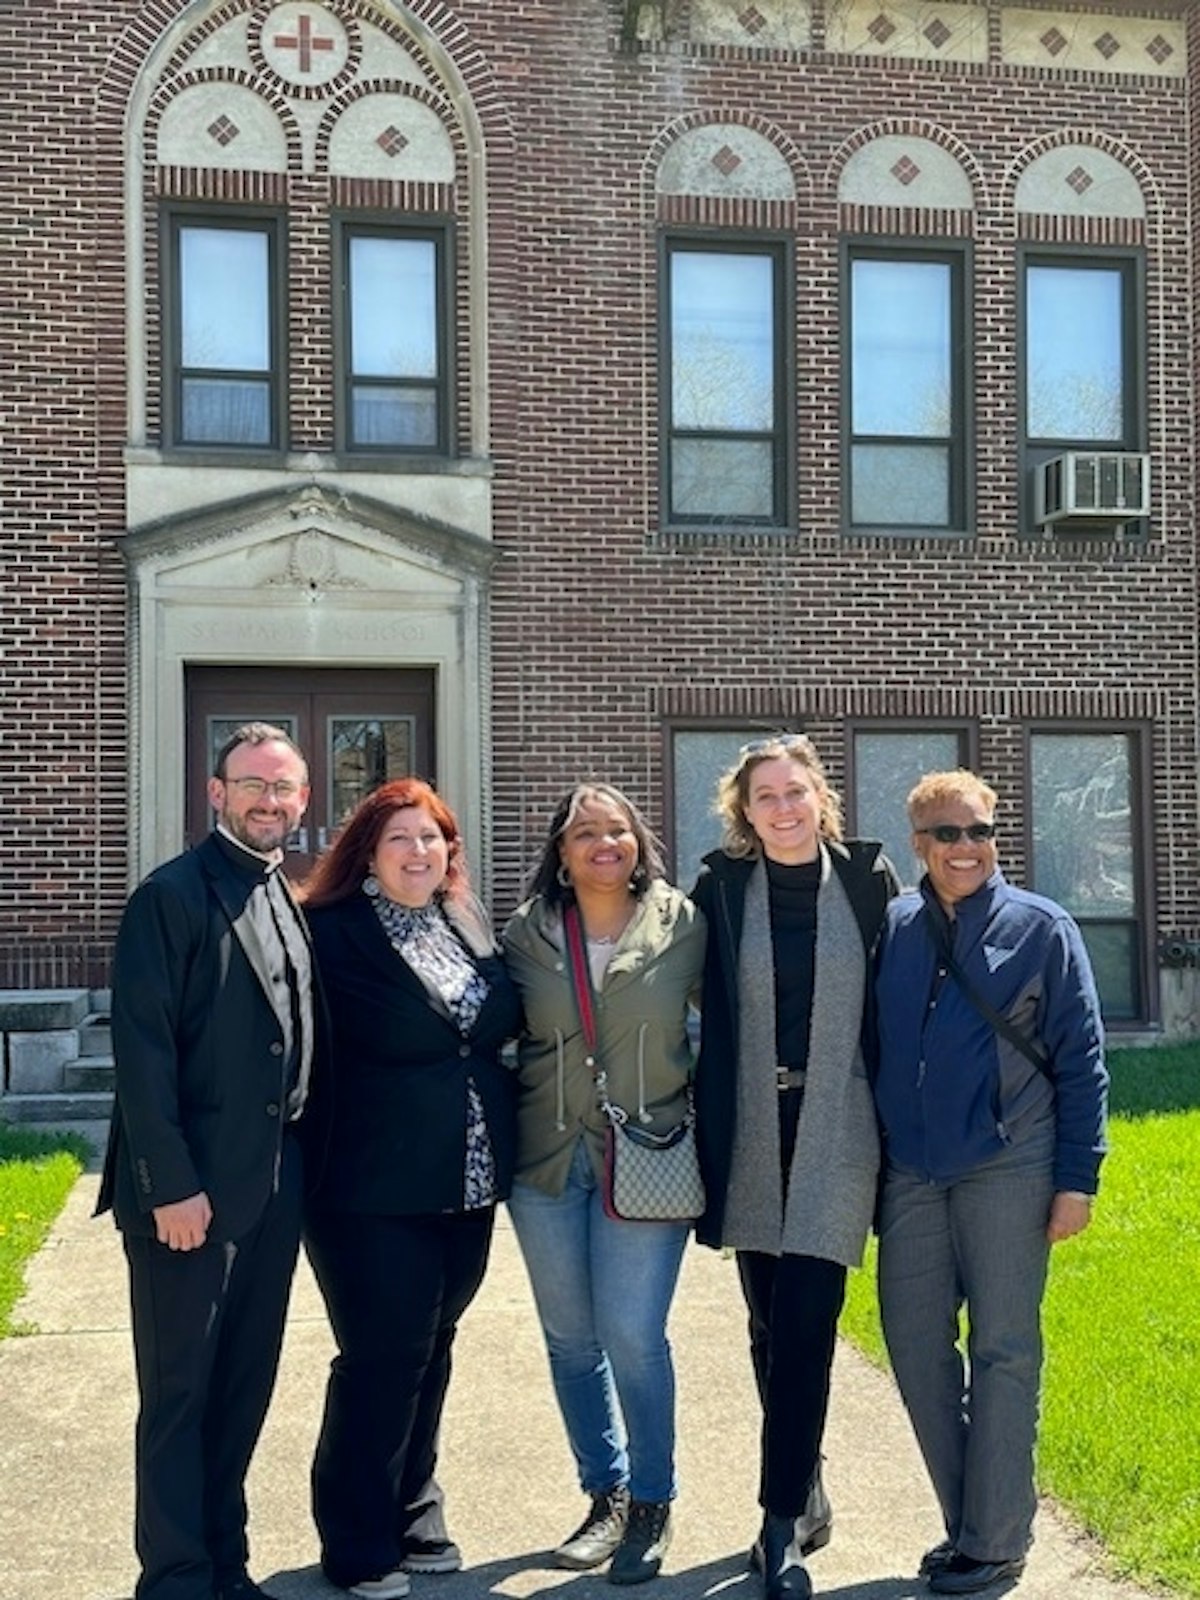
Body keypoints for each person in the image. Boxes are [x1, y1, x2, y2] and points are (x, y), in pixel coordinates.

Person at [872, 769, 1108, 1596]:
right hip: (913, 1171)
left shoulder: (1042, 927)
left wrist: (1077, 1179)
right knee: (913, 1344)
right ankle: (968, 1524)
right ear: (917, 844)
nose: (965, 847)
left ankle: (996, 1538)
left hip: (1013, 1163)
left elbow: (1083, 1060)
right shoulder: (896, 925)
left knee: (1004, 1351)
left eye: (978, 831)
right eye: (946, 834)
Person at [97, 722, 317, 1600]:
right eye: (254, 784)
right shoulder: (171, 896)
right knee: (181, 1398)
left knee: (243, 1390)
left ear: (303, 802)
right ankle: (178, 1578)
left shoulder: (281, 892)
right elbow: (141, 1055)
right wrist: (170, 1186)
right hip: (188, 1199)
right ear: (216, 792)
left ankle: (227, 1564)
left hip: (271, 1192)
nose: (271, 801)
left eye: (286, 788)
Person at [299, 778, 521, 1600]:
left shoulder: (463, 923)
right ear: (367, 853)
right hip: (367, 1187)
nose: (418, 852)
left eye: (431, 839)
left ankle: (414, 1506)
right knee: (383, 1356)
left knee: (434, 1347)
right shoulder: (329, 933)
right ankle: (356, 1539)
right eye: (400, 839)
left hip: (465, 1180)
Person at [690, 735, 897, 1600]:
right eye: (764, 796)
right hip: (749, 1126)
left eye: (795, 792)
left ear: (822, 799)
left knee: (808, 1324)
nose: (782, 808)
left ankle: (776, 1526)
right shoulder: (720, 889)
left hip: (837, 1124)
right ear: (744, 810)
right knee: (769, 1325)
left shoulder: (867, 882)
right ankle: (804, 1483)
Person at [502, 783, 706, 1585]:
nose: (602, 844)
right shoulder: (526, 933)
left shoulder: (681, 923)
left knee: (631, 1334)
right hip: (545, 1162)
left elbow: (730, 1019)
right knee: (570, 1340)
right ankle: (605, 1494)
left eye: (616, 830)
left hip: (647, 1155)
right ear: (561, 851)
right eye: (584, 833)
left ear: (638, 841)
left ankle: (653, 1499)